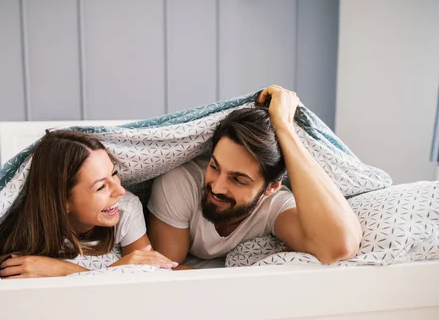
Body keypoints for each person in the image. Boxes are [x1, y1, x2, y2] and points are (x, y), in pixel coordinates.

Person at [147, 85, 363, 269]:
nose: (217, 187)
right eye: (214, 166)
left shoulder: (275, 205)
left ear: (271, 188)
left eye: (238, 180)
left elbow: (339, 246)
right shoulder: (179, 183)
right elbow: (166, 271)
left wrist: (284, 126)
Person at [0, 130, 177, 278]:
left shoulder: (126, 208)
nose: (120, 191)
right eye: (101, 187)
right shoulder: (18, 235)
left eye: (114, 174)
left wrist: (62, 270)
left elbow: (148, 278)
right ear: (62, 200)